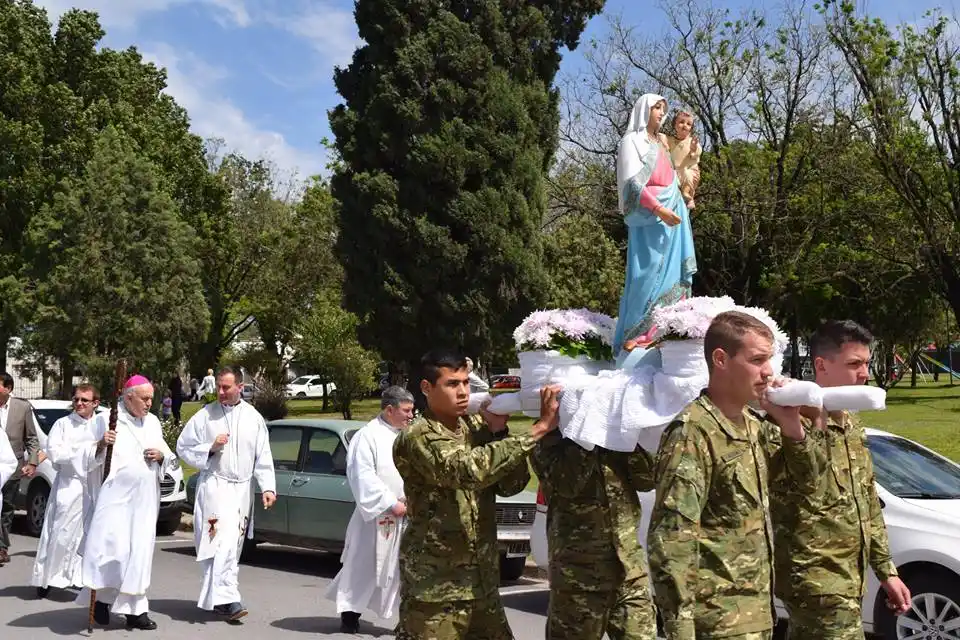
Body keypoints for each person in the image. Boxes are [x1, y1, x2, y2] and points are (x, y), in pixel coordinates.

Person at [648, 311, 822, 640]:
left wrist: (792, 427)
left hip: (757, 617)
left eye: (769, 359)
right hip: (714, 622)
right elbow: (671, 543)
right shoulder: (692, 433)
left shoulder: (755, 425)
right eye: (757, 360)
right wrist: (681, 632)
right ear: (721, 359)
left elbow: (809, 486)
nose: (768, 371)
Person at [392, 349, 561, 640]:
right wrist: (538, 430)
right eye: (451, 384)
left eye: (465, 383)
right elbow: (466, 471)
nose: (461, 391)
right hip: (436, 590)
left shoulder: (474, 429)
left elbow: (513, 484)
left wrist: (498, 431)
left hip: (481, 585)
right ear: (426, 388)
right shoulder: (418, 435)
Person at [772, 321, 911, 639]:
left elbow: (866, 500)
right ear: (821, 365)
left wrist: (886, 570)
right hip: (815, 579)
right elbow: (805, 484)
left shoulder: (851, 423)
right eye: (854, 364)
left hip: (850, 576)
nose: (864, 373)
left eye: (866, 363)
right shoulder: (786, 420)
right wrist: (810, 424)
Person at [76, 374, 177, 631]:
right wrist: (101, 444)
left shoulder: (153, 422)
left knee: (139, 555)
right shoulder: (106, 419)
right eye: (144, 398)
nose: (149, 404)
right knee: (112, 554)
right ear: (128, 396)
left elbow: (168, 454)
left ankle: (136, 611)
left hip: (144, 501)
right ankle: (101, 600)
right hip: (115, 502)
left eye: (151, 399)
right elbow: (83, 455)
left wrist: (161, 455)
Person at [532, 434, 658, 639]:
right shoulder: (550, 440)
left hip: (628, 571)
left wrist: (629, 437)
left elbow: (647, 480)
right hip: (579, 578)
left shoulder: (618, 436)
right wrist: (586, 437)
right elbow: (568, 484)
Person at [176, 366, 276, 622]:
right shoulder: (204, 416)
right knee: (217, 542)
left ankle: (221, 599)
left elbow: (262, 455)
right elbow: (183, 447)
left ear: (240, 387)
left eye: (226, 387)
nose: (220, 392)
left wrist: (267, 487)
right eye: (219, 386)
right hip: (215, 487)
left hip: (241, 489)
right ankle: (228, 599)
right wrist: (210, 447)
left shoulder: (253, 418)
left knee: (232, 545)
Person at [613, 93, 697, 361]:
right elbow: (630, 184)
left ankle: (663, 333)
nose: (662, 113)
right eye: (657, 108)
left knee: (673, 277)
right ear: (643, 110)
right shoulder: (631, 141)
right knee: (645, 274)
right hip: (649, 215)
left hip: (672, 212)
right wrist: (658, 207)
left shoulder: (661, 143)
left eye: (663, 108)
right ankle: (635, 334)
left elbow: (676, 171)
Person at [327, 385, 416, 633]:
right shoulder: (367, 436)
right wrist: (391, 503)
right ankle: (350, 614)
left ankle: (405, 621)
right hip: (375, 517)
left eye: (412, 410)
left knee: (402, 570)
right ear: (390, 410)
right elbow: (362, 475)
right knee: (363, 566)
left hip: (406, 514)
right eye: (407, 410)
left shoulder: (408, 435)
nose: (411, 415)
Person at [30, 385, 101, 598]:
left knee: (87, 535)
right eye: (76, 399)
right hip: (69, 485)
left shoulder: (101, 424)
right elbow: (54, 452)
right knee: (59, 533)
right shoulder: (63, 424)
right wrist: (88, 452)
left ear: (95, 403)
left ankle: (78, 577)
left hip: (93, 486)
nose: (79, 403)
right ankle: (47, 578)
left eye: (84, 400)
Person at [0, 370, 40, 566]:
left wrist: (32, 462)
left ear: (8, 388)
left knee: (7, 507)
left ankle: (2, 548)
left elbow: (31, 438)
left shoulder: (21, 408)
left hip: (11, 467)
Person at [665, 111, 702, 210]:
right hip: (676, 172)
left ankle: (688, 197)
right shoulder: (670, 140)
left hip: (689, 170)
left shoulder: (691, 142)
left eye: (689, 124)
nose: (685, 125)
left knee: (687, 173)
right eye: (681, 122)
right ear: (674, 125)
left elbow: (697, 153)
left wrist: (693, 150)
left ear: (691, 129)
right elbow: (661, 139)